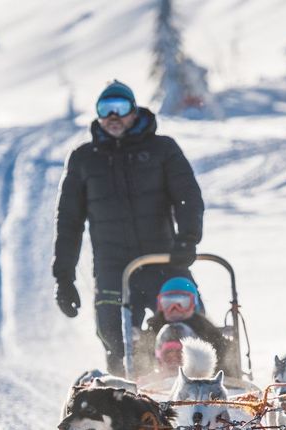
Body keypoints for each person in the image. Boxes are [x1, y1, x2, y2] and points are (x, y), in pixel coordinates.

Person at [52, 80, 204, 376]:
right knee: (117, 341)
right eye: (105, 109)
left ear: (134, 111)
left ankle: (211, 391)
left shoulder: (163, 150)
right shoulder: (84, 160)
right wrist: (64, 278)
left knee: (191, 330)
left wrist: (187, 240)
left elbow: (188, 197)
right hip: (114, 271)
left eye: (120, 108)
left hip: (166, 261)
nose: (113, 116)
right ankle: (128, 401)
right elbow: (68, 223)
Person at [144, 276, 239, 377]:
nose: (175, 309)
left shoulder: (207, 332)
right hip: (160, 386)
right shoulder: (152, 332)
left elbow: (224, 366)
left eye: (182, 303)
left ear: (194, 304)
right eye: (168, 303)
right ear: (160, 305)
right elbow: (141, 362)